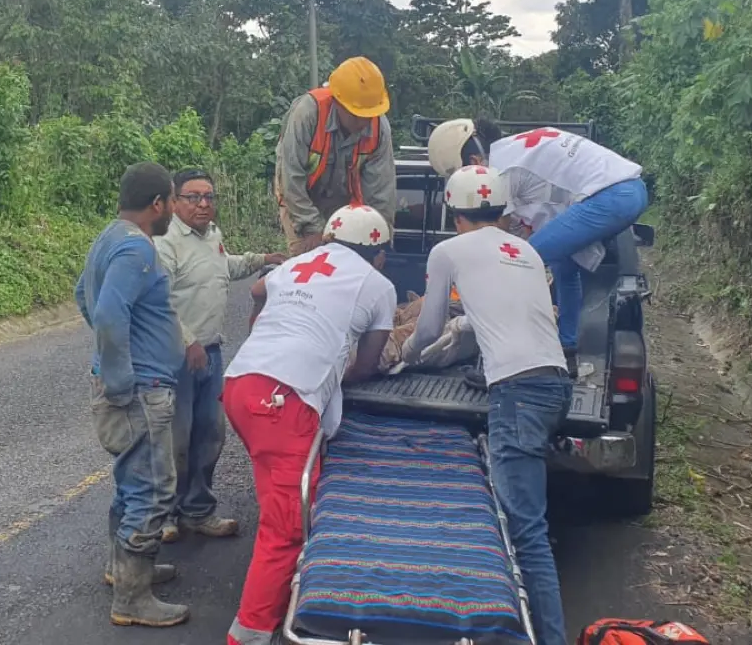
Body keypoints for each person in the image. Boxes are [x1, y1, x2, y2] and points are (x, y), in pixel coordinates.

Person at [400, 165, 571, 645]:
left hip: (517, 393)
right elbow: (502, 315)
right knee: (525, 515)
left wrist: (403, 360)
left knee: (528, 534)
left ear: (454, 212)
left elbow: (430, 328)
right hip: (555, 384)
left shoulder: (448, 250)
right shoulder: (528, 251)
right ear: (499, 209)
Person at [222, 203, 397, 645]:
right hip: (284, 398)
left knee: (278, 499)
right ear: (379, 254)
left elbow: (259, 287)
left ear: (330, 241)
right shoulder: (378, 285)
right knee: (287, 527)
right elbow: (367, 366)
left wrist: (259, 326)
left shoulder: (299, 262)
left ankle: (282, 595)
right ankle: (251, 633)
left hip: (242, 384)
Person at [426, 119, 648, 377]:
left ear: (475, 161)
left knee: (515, 265)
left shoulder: (498, 173)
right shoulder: (511, 150)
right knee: (564, 267)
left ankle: (491, 362)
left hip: (611, 196)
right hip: (628, 190)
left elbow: (493, 235)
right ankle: (568, 347)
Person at [74, 161, 188, 629]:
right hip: (140, 388)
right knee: (153, 488)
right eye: (173, 201)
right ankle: (132, 596)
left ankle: (121, 569)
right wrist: (121, 376)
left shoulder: (109, 237)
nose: (174, 212)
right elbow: (105, 312)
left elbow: (84, 294)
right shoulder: (136, 250)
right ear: (158, 203)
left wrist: (113, 357)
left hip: (132, 382)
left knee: (129, 481)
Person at [153, 168, 286, 544]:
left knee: (210, 434)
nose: (203, 204)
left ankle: (197, 510)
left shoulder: (212, 236)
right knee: (172, 440)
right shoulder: (165, 242)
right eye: (193, 197)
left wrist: (262, 259)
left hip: (210, 352)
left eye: (209, 197)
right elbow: (158, 302)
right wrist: (188, 342)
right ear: (175, 201)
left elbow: (221, 268)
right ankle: (162, 516)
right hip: (175, 357)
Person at [275, 56, 398, 256]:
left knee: (353, 260)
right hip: (301, 198)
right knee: (307, 262)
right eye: (357, 114)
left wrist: (382, 242)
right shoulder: (307, 114)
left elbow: (381, 194)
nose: (364, 121)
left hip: (345, 202)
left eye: (369, 115)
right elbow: (290, 177)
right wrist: (311, 229)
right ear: (337, 102)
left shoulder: (379, 128)